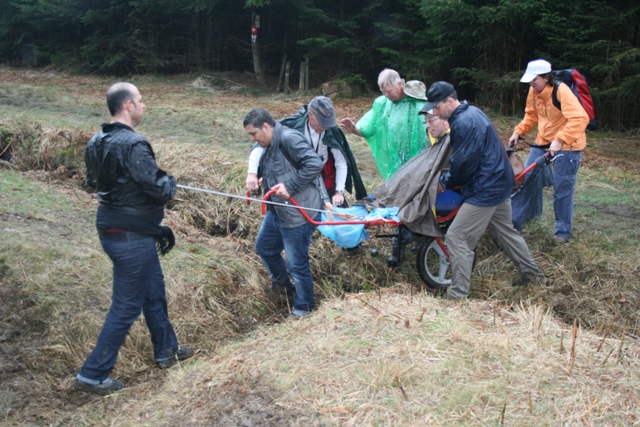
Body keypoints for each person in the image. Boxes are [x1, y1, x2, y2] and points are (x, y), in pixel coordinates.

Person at [76, 82, 192, 394]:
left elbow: (94, 182)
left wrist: (148, 223)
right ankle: (93, 373)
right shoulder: (134, 144)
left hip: (124, 230)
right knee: (126, 305)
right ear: (128, 105)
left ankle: (167, 350)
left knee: (153, 291)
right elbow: (158, 188)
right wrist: (171, 180)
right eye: (140, 100)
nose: (143, 105)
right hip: (129, 237)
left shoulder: (96, 141)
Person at [424, 81, 548, 300]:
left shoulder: (463, 122)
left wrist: (445, 181)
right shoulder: (473, 112)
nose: (435, 112)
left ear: (450, 101)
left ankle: (458, 294)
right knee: (505, 232)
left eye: (437, 107)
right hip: (500, 183)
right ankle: (534, 275)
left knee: (456, 237)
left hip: (486, 188)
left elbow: (464, 162)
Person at [243, 108, 327, 318]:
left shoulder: (289, 138)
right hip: (278, 209)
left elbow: (314, 164)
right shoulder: (267, 142)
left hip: (299, 212)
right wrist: (261, 180)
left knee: (296, 264)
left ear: (266, 127)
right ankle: (283, 288)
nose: (252, 139)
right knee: (265, 247)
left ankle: (303, 308)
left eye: (253, 134)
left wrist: (289, 186)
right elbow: (276, 167)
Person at [341, 69, 428, 266]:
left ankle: (418, 236)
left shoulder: (418, 103)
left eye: (389, 91)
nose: (386, 95)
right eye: (383, 92)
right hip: (396, 164)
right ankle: (401, 242)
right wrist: (354, 129)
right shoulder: (382, 105)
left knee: (417, 199)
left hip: (419, 163)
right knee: (399, 200)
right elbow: (370, 128)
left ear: (400, 84)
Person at [508, 59, 589, 243]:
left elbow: (580, 118)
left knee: (562, 189)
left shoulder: (561, 91)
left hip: (568, 146)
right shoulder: (533, 91)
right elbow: (531, 115)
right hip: (543, 142)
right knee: (526, 179)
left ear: (546, 77)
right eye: (529, 80)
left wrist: (560, 140)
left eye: (534, 79)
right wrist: (518, 131)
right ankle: (514, 223)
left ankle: (562, 233)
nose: (531, 83)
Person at [247, 96, 367, 206]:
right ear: (310, 115)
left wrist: (339, 192)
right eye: (321, 124)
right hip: (295, 178)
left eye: (327, 125)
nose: (324, 128)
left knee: (341, 220)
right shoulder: (290, 126)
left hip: (324, 178)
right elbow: (259, 147)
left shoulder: (332, 131)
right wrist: (252, 173)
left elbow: (341, 163)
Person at [367, 109, 451, 243]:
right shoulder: (437, 140)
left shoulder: (450, 141)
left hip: (444, 190)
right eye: (426, 121)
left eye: (431, 120)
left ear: (446, 120)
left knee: (410, 183)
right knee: (405, 179)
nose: (427, 125)